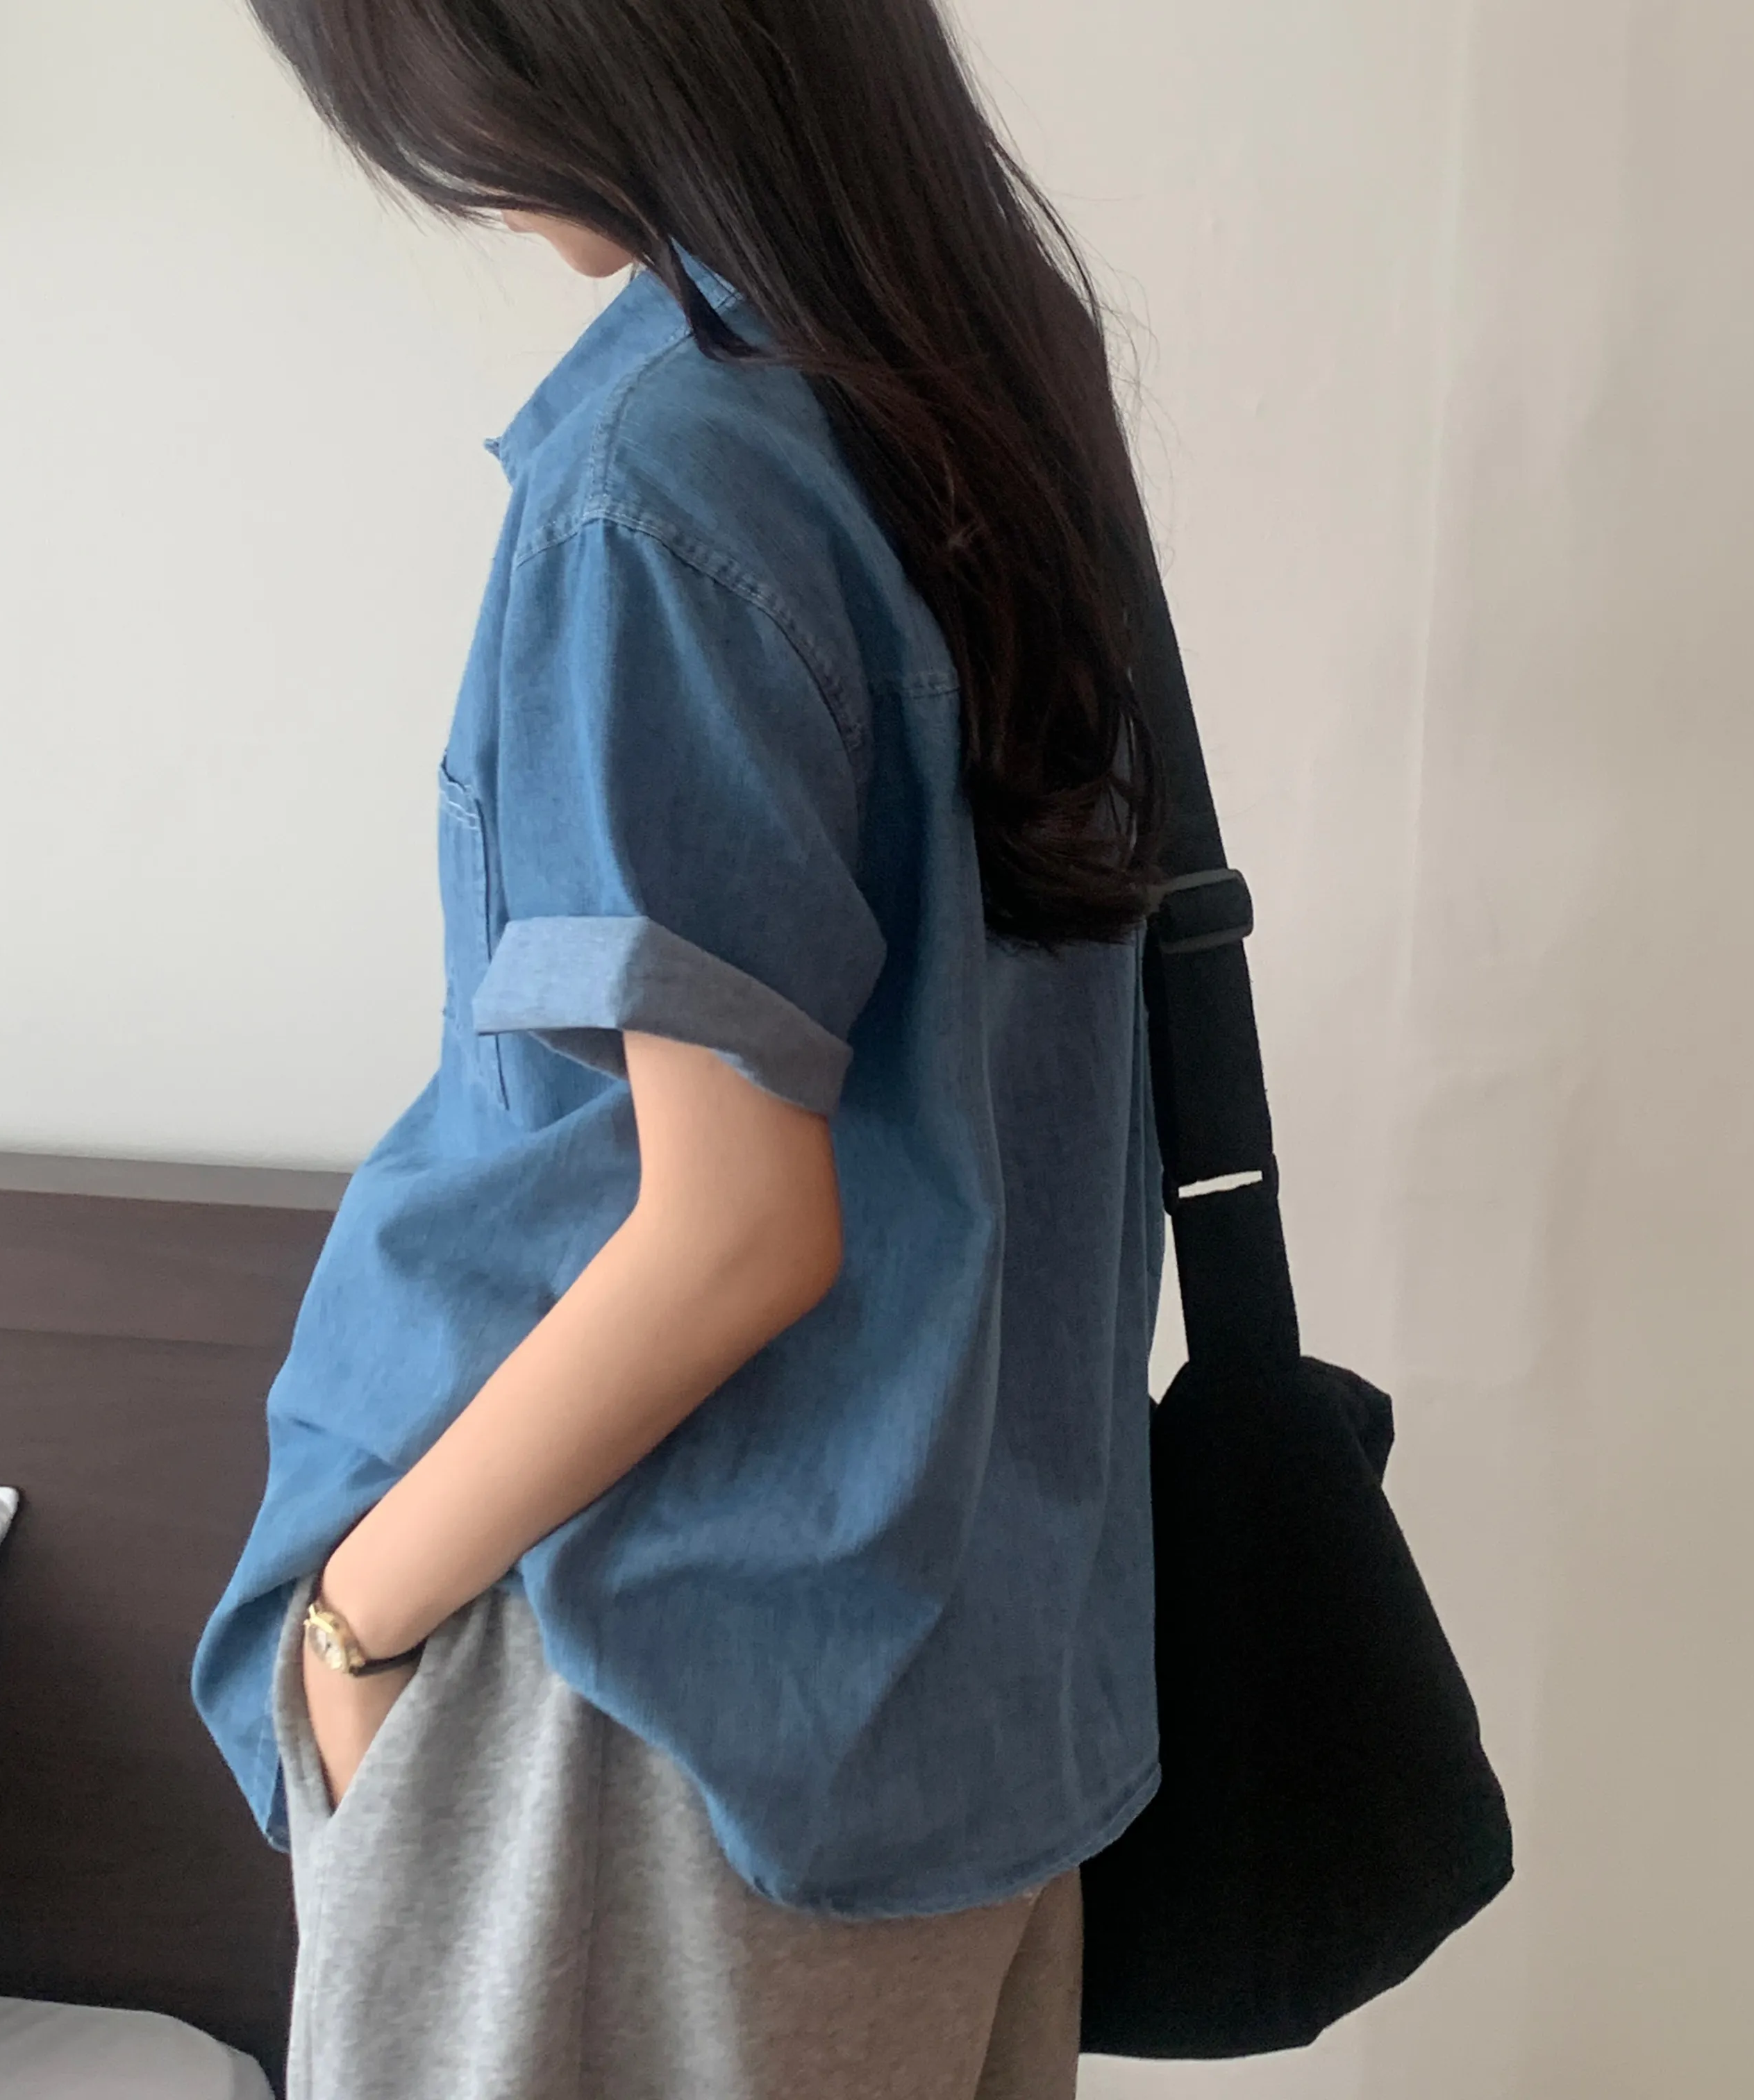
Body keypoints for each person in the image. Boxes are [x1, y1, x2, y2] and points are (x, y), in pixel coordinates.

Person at [192, 2, 1168, 2094]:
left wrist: (358, 1621)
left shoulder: (670, 478)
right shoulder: (994, 388)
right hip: (970, 1673)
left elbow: (735, 1232)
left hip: (642, 1673)